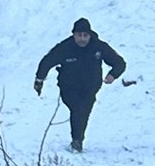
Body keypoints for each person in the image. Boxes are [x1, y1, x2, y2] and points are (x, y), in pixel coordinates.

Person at [35, 18, 126, 153]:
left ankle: (78, 139)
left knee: (84, 113)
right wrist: (39, 80)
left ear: (90, 35)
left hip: (91, 87)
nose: (82, 39)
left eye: (85, 35)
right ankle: (77, 142)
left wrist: (113, 75)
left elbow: (119, 63)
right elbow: (47, 62)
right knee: (78, 109)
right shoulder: (64, 48)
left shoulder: (98, 47)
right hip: (68, 87)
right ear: (73, 35)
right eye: (79, 35)